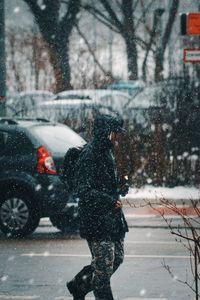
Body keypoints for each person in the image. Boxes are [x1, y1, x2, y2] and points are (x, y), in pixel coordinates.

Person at [67, 114, 129, 300]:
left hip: (111, 218)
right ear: (106, 133)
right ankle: (84, 288)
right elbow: (84, 192)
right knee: (103, 272)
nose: (117, 137)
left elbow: (103, 182)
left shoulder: (106, 151)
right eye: (115, 133)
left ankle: (79, 285)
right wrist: (109, 200)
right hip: (96, 220)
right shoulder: (89, 155)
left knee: (116, 258)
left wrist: (120, 185)